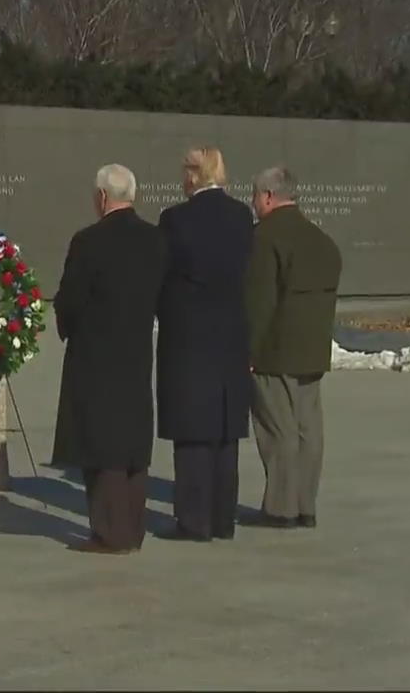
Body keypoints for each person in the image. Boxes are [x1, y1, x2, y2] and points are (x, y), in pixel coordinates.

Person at [53, 163, 168, 554]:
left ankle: (108, 532)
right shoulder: (155, 239)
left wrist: (66, 324)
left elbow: (70, 298)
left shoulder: (88, 241)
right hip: (136, 351)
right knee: (133, 443)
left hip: (96, 353)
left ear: (102, 197)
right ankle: (132, 529)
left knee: (100, 443)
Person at [155, 147, 254, 542]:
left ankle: (194, 520)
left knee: (193, 429)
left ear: (193, 176)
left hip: (189, 335)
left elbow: (165, 274)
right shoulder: (241, 216)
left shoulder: (175, 219)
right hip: (231, 332)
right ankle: (222, 518)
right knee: (225, 431)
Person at [243, 166, 342, 529]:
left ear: (268, 197)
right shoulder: (320, 239)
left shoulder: (264, 238)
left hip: (275, 349)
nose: (253, 204)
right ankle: (305, 505)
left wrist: (248, 349)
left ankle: (280, 508)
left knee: (277, 430)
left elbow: (259, 300)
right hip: (313, 349)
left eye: (255, 196)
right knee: (308, 429)